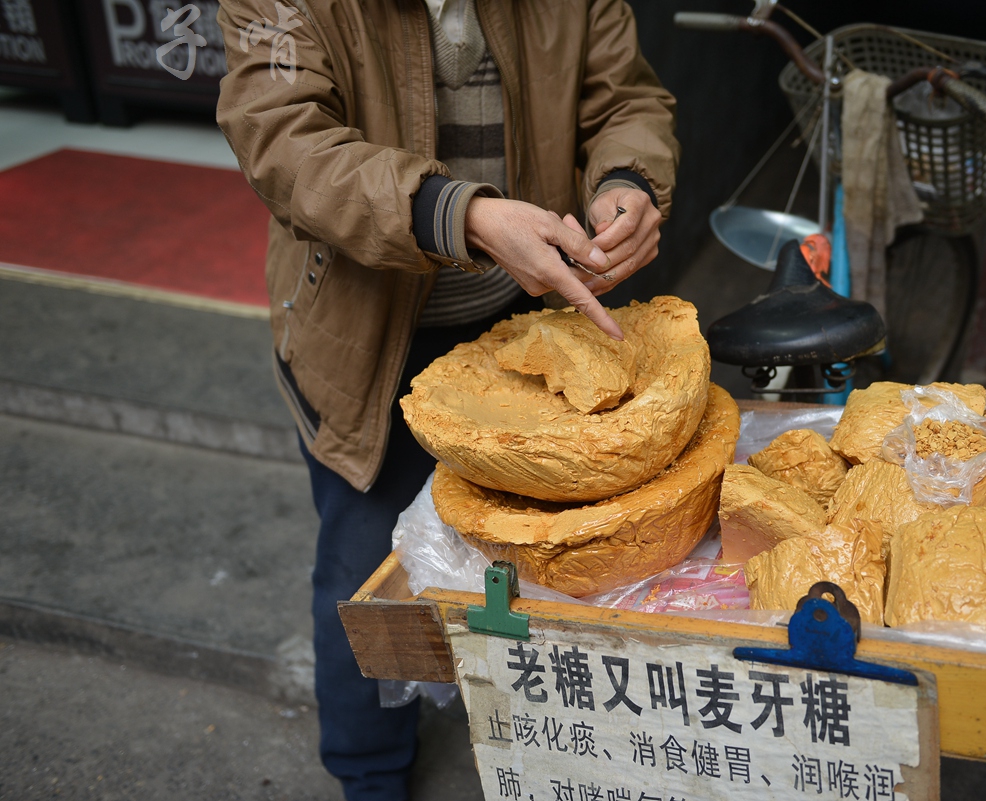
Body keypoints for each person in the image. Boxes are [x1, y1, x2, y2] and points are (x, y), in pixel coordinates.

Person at [215, 1, 679, 798]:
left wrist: (628, 182)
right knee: (366, 575)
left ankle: (535, 743)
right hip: (366, 344)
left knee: (543, 558)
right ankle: (370, 772)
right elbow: (283, 141)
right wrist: (457, 214)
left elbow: (623, 97)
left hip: (526, 333)